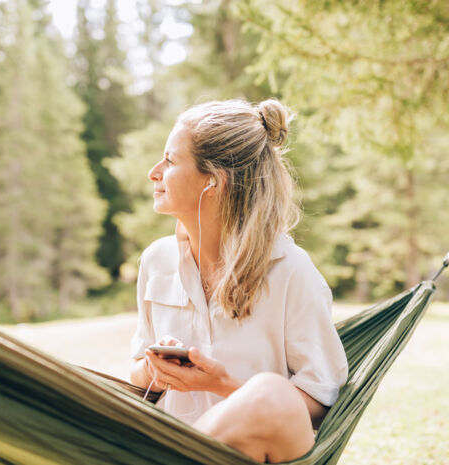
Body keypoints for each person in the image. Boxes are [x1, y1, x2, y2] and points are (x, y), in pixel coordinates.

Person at [129, 98, 348, 463]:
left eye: (169, 161)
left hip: (250, 452)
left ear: (212, 181)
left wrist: (220, 384)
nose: (154, 172)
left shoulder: (290, 269)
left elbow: (320, 402)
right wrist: (154, 368)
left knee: (269, 394)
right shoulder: (157, 261)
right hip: (169, 449)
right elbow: (136, 376)